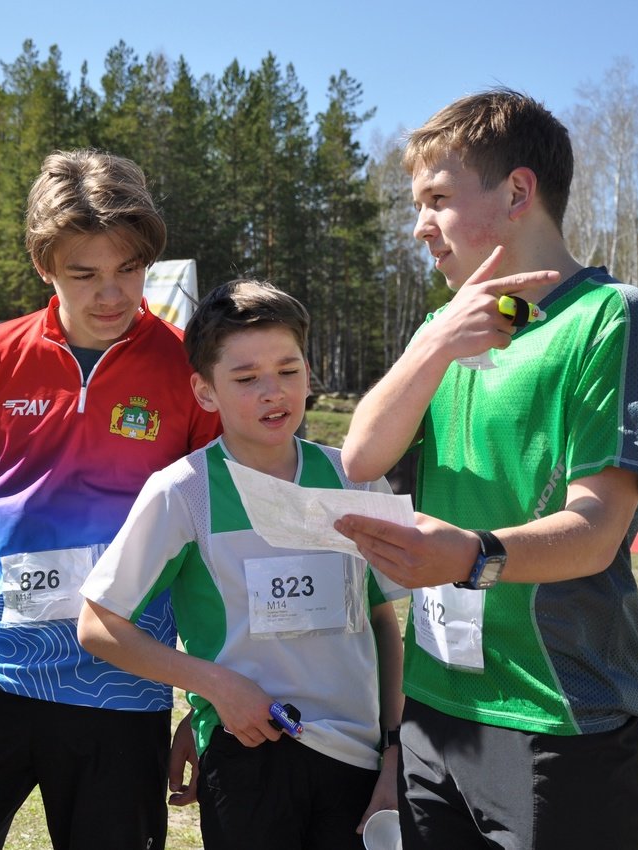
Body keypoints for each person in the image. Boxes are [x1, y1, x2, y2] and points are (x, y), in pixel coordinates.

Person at [333, 89, 638, 850]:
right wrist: (430, 345)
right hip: (432, 710)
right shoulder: (444, 325)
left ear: (518, 191)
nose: (419, 224)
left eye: (437, 199)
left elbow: (596, 532)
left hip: (559, 718)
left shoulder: (614, 319)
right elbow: (362, 455)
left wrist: (468, 557)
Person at [0, 149, 222, 850]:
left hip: (122, 684)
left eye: (129, 271)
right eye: (84, 274)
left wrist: (202, 702)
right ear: (43, 265)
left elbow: (214, 549)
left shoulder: (187, 367)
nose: (112, 295)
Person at [78, 279, 405, 850]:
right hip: (247, 750)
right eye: (246, 378)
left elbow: (384, 623)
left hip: (358, 758)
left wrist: (396, 750)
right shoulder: (184, 492)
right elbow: (99, 626)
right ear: (205, 393)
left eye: (288, 370)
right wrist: (216, 687)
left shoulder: (356, 478)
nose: (272, 393)